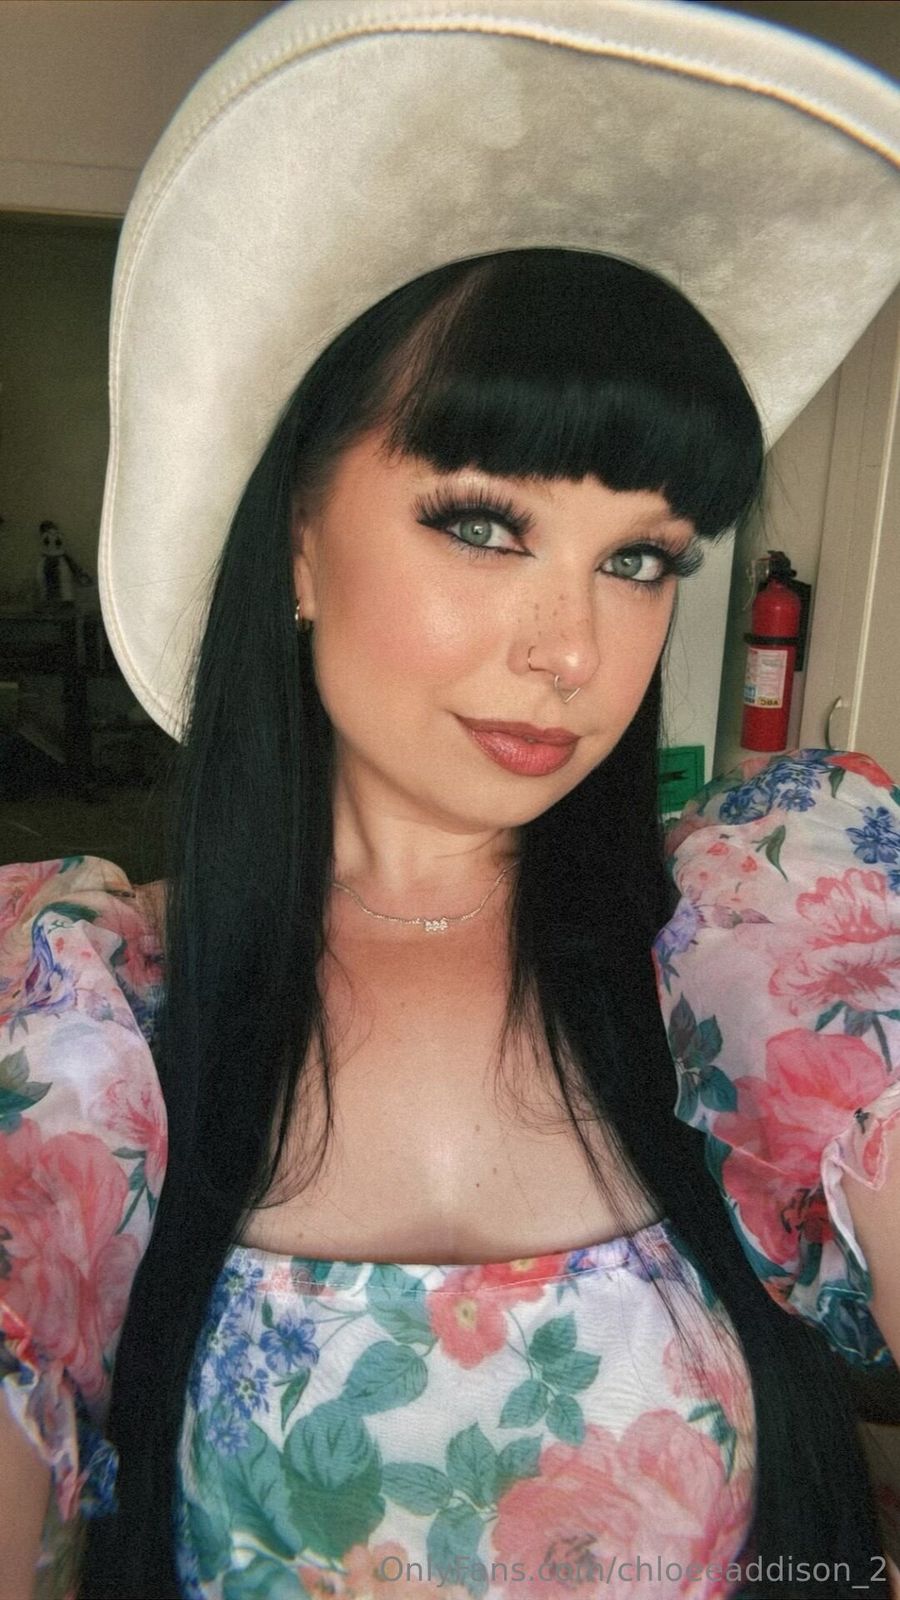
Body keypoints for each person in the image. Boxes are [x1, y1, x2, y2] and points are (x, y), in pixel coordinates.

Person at [1, 3, 899, 1598]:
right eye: (485, 525)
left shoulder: (755, 946)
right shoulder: (84, 1022)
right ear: (295, 542)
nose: (572, 650)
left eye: (641, 559)